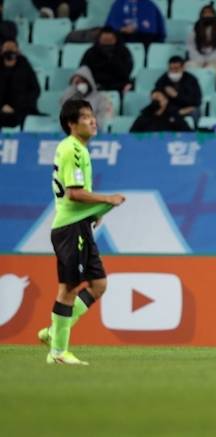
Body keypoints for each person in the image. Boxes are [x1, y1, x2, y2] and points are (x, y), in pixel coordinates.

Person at [37, 99, 125, 365]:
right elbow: (73, 193)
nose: (92, 120)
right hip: (69, 228)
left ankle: (54, 332)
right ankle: (58, 352)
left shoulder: (78, 149)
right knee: (69, 288)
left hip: (80, 226)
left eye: (92, 116)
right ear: (71, 124)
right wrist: (107, 200)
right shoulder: (72, 149)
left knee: (98, 285)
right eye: (85, 117)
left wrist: (95, 212)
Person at [0, 39, 40, 129]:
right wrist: (2, 106)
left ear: (17, 51)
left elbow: (35, 90)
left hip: (21, 109)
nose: (9, 51)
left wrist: (16, 107)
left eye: (12, 48)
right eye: (6, 48)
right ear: (1, 50)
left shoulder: (24, 65)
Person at [60, 65, 113, 131]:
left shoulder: (100, 98)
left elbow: (101, 119)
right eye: (77, 82)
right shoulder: (72, 98)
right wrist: (73, 90)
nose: (80, 84)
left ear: (88, 81)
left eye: (82, 81)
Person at [80, 27, 133, 93]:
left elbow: (127, 70)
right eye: (105, 40)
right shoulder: (91, 52)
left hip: (119, 84)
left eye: (110, 40)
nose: (107, 43)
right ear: (99, 39)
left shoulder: (123, 51)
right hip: (96, 84)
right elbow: (84, 68)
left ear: (115, 39)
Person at [155, 55, 202, 124]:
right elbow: (157, 97)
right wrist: (176, 111)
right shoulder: (163, 80)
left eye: (176, 68)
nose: (173, 71)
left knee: (195, 111)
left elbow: (196, 101)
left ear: (183, 68)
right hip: (170, 110)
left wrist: (177, 95)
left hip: (187, 109)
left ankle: (195, 131)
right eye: (171, 69)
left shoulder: (191, 80)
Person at [185, 4, 216, 78]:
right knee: (189, 67)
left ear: (214, 14)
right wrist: (200, 59)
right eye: (205, 13)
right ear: (201, 15)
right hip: (197, 57)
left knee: (212, 69)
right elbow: (191, 46)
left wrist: (210, 59)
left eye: (210, 13)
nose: (207, 15)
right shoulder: (195, 28)